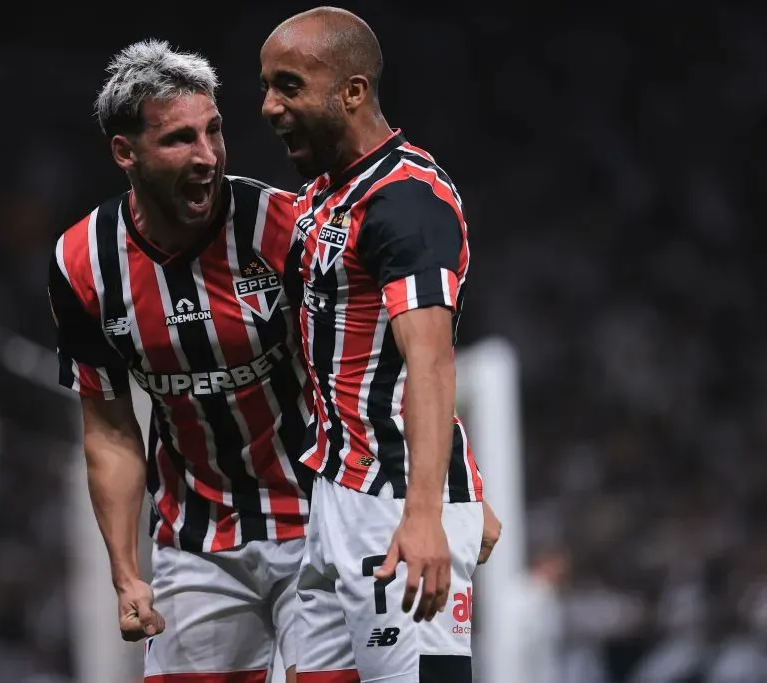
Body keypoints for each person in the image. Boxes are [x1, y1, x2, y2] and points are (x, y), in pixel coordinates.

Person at [48, 39, 313, 682]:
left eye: (214, 131)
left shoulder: (283, 228)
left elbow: (355, 375)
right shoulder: (82, 263)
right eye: (178, 140)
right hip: (197, 542)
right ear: (125, 152)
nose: (206, 157)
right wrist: (126, 571)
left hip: (319, 522)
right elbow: (109, 428)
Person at [260, 7, 499, 681]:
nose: (269, 106)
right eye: (267, 87)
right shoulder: (323, 198)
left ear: (353, 91)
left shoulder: (407, 202)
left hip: (397, 507)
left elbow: (428, 359)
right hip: (335, 491)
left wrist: (431, 512)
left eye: (288, 86)